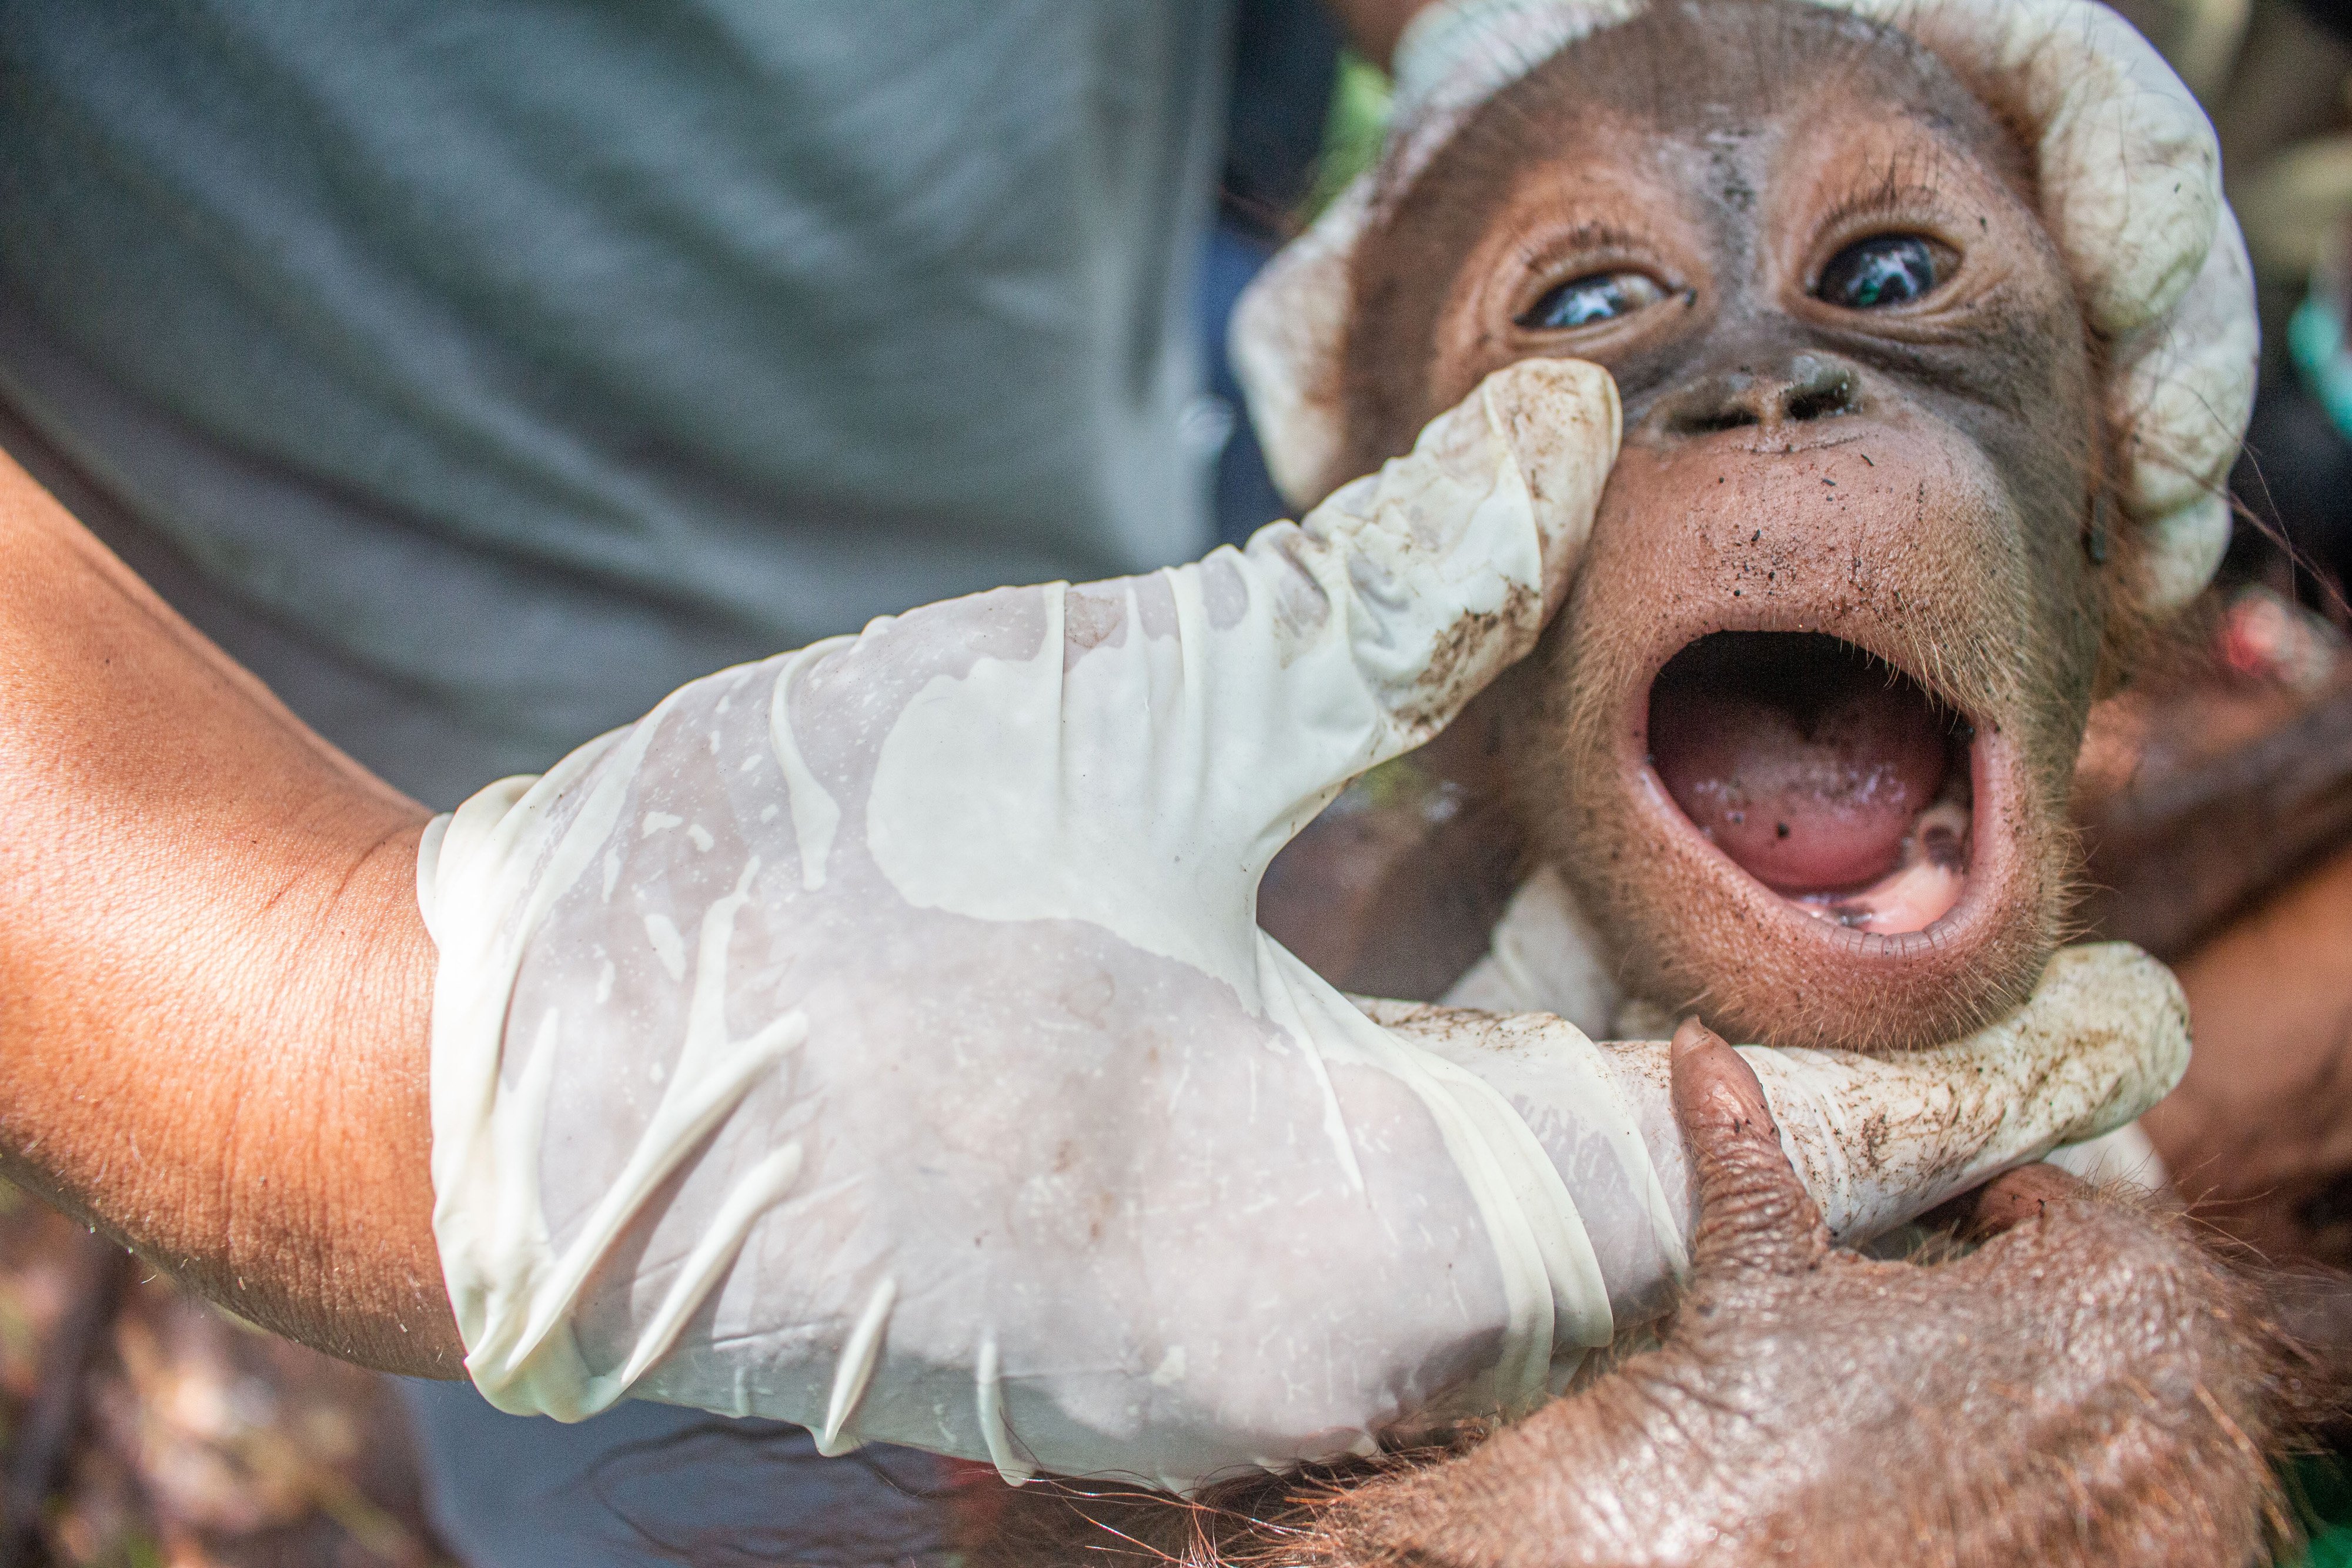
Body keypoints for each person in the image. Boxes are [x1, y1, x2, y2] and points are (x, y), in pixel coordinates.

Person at [0, 1, 2226, 1563]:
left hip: (1115, 536)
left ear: (2110, 511)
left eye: (1890, 275)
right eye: (1593, 312)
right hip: (363, 763)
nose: (1764, 389)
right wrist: (396, 1046)